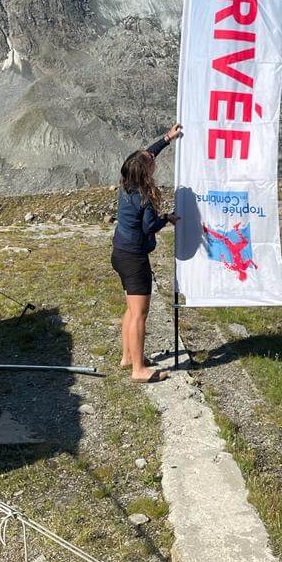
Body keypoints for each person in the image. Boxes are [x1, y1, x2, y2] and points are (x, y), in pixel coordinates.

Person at [111, 124, 182, 382]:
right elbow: (149, 225)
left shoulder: (126, 185)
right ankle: (138, 370)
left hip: (119, 253)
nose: (153, 162)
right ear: (145, 173)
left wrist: (167, 139)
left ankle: (128, 356)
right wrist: (168, 218)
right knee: (140, 313)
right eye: (150, 164)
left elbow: (146, 155)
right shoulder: (145, 197)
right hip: (134, 258)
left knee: (131, 308)